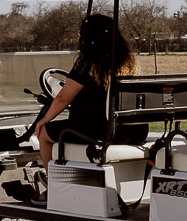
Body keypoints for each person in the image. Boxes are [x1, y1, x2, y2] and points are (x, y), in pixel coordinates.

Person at [34, 13, 144, 164]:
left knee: (45, 134)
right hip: (130, 130)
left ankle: (51, 182)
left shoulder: (87, 64)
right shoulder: (127, 63)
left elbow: (63, 98)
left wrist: (44, 120)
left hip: (96, 130)